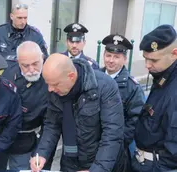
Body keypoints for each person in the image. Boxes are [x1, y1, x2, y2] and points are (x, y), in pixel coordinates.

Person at [30, 53, 124, 172]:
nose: (50, 89)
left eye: (54, 84)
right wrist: (41, 154)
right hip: (69, 162)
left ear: (71, 76)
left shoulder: (105, 86)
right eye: (48, 84)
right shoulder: (56, 89)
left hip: (98, 163)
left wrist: (96, 170)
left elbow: (112, 135)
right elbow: (52, 125)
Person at [0, 41, 54, 170]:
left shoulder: (50, 79)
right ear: (18, 62)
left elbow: (50, 124)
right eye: (25, 66)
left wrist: (39, 152)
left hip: (25, 140)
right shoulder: (5, 74)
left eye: (35, 64)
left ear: (42, 58)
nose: (31, 70)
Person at [132, 24, 177, 172]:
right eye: (145, 58)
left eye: (153, 60)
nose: (147, 65)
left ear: (174, 53)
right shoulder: (163, 76)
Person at [101, 34, 145, 170]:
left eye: (116, 57)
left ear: (125, 59)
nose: (111, 60)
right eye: (108, 55)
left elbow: (135, 120)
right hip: (91, 146)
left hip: (116, 150)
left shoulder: (132, 87)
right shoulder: (94, 78)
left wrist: (117, 144)